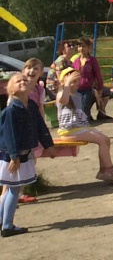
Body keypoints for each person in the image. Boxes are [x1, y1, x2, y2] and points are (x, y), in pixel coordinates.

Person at [0, 73, 55, 237]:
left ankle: (3, 221)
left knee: (12, 189)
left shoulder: (30, 105)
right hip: (12, 156)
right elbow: (9, 135)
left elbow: (40, 126)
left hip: (23, 154)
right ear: (10, 89)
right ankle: (7, 226)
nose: (23, 81)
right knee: (13, 190)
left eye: (25, 80)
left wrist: (48, 145)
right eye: (18, 81)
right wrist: (14, 156)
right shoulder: (11, 110)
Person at [57, 69, 113, 184]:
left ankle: (104, 170)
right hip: (69, 131)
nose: (75, 83)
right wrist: (67, 84)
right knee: (102, 140)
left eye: (77, 80)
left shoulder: (77, 94)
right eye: (72, 80)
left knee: (105, 140)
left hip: (79, 128)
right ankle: (109, 170)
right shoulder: (62, 93)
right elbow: (62, 100)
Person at [72, 37, 108, 121]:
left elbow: (98, 75)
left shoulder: (92, 60)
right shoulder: (75, 62)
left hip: (87, 89)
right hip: (77, 89)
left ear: (88, 48)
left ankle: (86, 125)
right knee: (77, 107)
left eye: (83, 46)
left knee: (85, 107)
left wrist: (100, 88)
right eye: (79, 46)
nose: (81, 48)